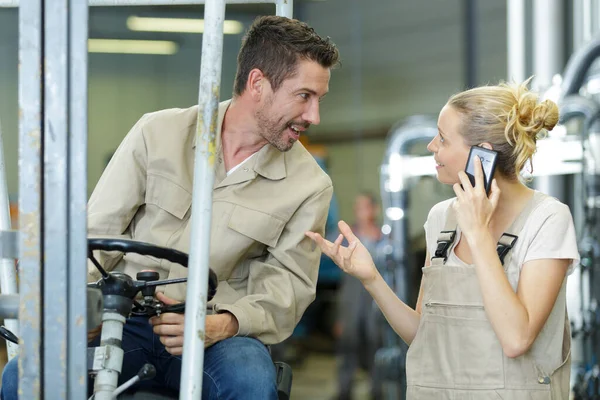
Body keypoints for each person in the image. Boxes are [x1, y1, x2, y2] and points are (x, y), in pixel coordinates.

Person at [1, 15, 340, 400]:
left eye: (318, 100)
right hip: (124, 318)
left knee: (250, 379)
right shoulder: (156, 133)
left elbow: (288, 287)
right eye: (304, 96)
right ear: (258, 83)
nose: (314, 116)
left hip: (215, 335)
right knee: (25, 376)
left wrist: (227, 323)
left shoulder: (310, 185)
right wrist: (83, 307)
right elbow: (98, 231)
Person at [307, 79, 579, 399]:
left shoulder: (546, 219)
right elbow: (424, 335)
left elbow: (517, 339)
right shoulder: (441, 218)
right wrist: (371, 278)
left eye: (443, 139)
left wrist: (478, 233)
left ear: (482, 155)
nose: (431, 146)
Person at [335, 192, 383, 400]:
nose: (359, 211)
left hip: (376, 301)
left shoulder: (385, 239)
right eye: (357, 207)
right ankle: (344, 392)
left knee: (377, 345)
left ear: (374, 209)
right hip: (351, 301)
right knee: (347, 345)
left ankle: (378, 392)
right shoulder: (346, 238)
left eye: (364, 206)